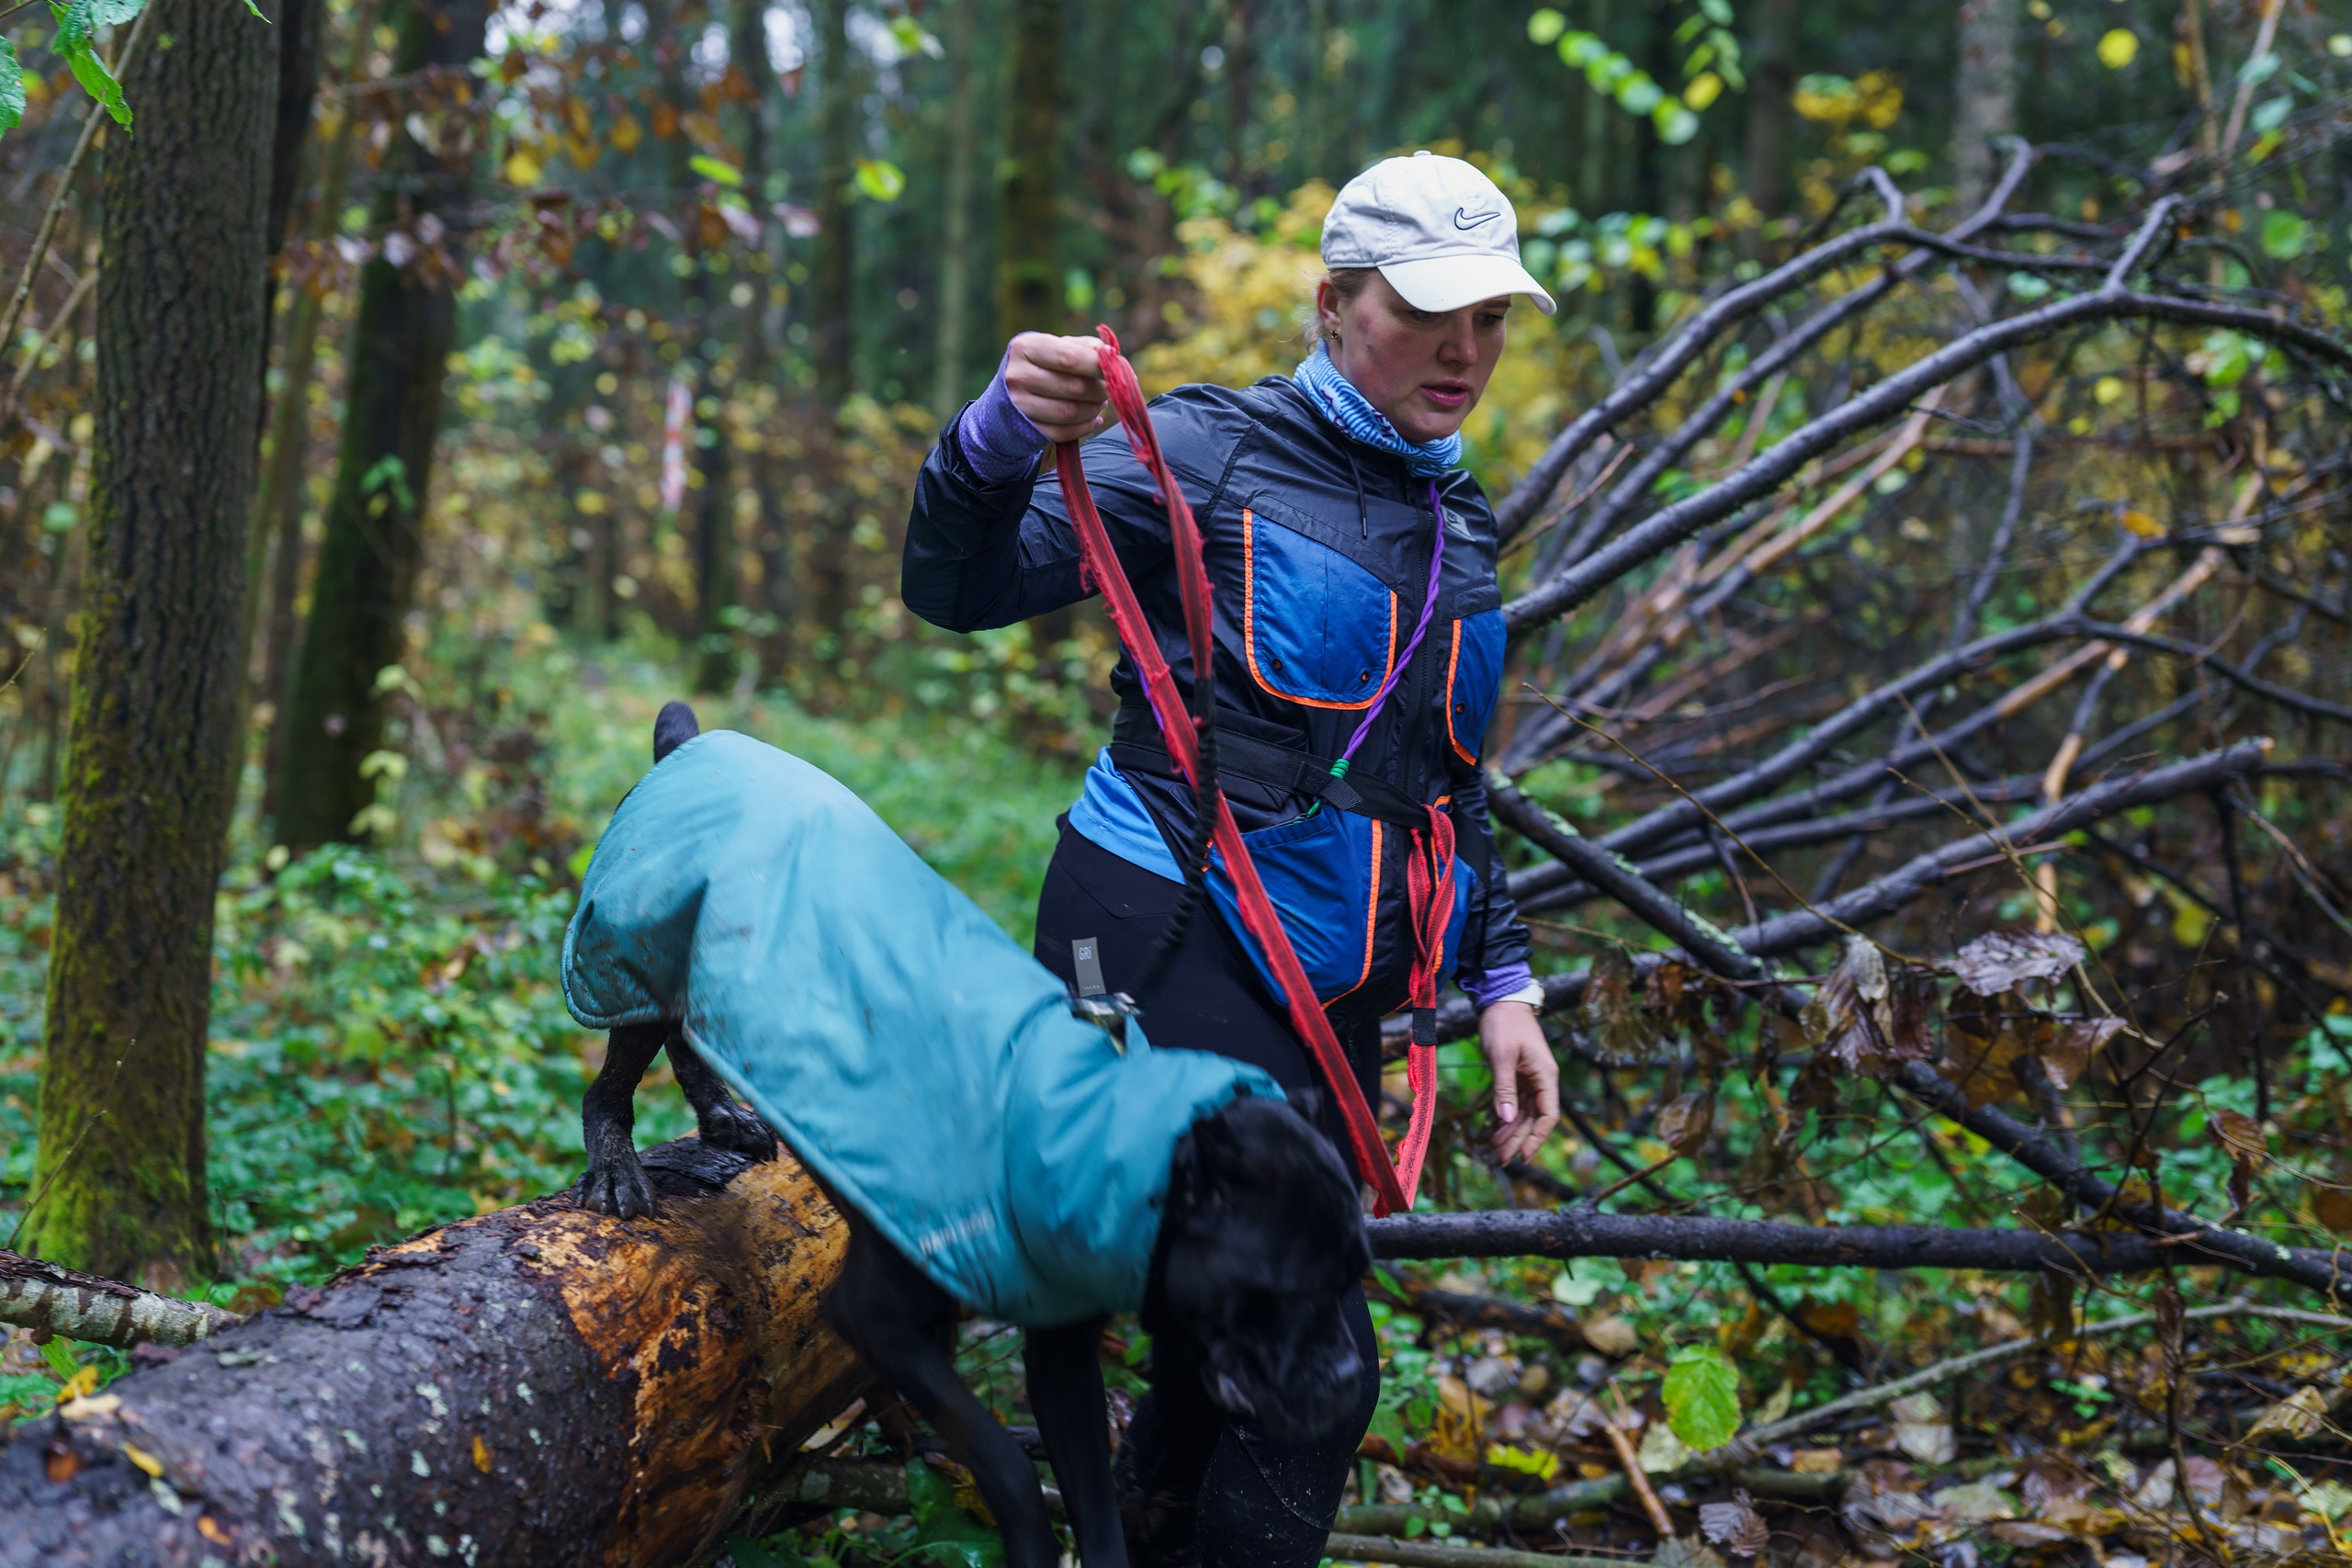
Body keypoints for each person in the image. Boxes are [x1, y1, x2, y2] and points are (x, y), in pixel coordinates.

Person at [901, 152, 1562, 1568]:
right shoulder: (1201, 449)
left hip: (1339, 988)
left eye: (1493, 316)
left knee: (1227, 1350)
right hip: (1157, 928)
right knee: (1312, 1370)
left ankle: (1130, 1534)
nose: (1466, 348)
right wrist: (997, 434)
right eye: (1428, 308)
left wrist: (1502, 980)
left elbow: (1442, 773)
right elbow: (955, 592)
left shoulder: (1460, 515)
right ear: (1334, 304)